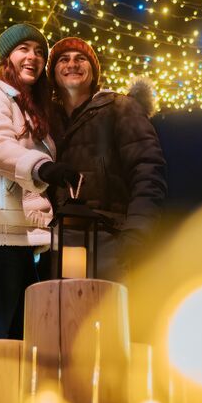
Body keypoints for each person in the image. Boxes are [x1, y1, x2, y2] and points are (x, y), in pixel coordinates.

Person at [0, 23, 80, 338]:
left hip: (17, 239)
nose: (33, 57)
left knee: (20, 342)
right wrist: (43, 168)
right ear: (5, 58)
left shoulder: (28, 108)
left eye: (39, 52)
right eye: (24, 49)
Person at [46, 37, 167, 281]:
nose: (72, 64)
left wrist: (137, 231)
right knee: (64, 313)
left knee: (108, 314)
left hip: (110, 237)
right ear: (53, 74)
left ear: (93, 73)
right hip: (59, 240)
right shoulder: (47, 121)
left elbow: (147, 170)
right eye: (63, 59)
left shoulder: (120, 108)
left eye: (81, 59)